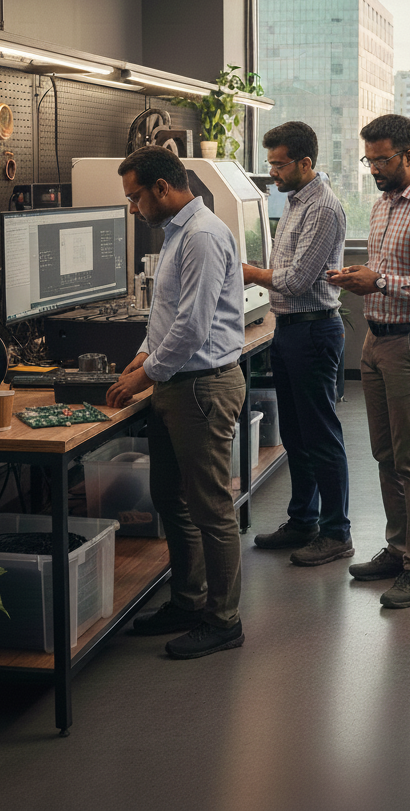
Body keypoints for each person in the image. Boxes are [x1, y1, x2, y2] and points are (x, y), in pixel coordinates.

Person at [106, 145, 247, 659]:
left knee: (211, 508)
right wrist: (142, 355)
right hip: (175, 383)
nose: (132, 207)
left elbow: (194, 325)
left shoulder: (204, 236)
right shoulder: (175, 233)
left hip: (201, 387)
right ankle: (188, 602)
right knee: (171, 498)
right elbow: (164, 314)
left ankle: (223, 619)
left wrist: (147, 374)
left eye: (135, 196)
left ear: (162, 188)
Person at [326, 114, 410, 609]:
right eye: (369, 159)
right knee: (385, 455)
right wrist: (358, 276)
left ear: (409, 155)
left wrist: (379, 282)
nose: (374, 169)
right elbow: (388, 270)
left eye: (382, 159)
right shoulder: (383, 206)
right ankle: (399, 549)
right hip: (377, 342)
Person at [241, 121, 353, 566]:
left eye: (279, 164)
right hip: (289, 327)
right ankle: (303, 521)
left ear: (306, 163)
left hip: (313, 330)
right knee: (295, 434)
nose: (273, 173)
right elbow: (284, 273)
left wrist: (250, 274)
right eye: (270, 164)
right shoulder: (292, 202)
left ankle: (336, 531)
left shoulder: (322, 208)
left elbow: (296, 279)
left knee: (321, 435)